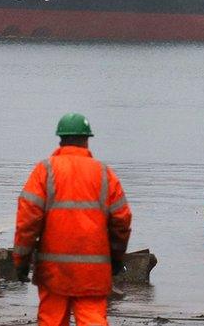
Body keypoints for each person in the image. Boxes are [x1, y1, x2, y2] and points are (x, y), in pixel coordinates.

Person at [14, 113, 132, 326]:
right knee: (93, 319)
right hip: (93, 271)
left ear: (60, 139)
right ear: (87, 140)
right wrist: (116, 257)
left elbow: (28, 219)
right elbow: (122, 220)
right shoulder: (104, 174)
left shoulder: (45, 171)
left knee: (51, 320)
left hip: (54, 271)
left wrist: (21, 260)